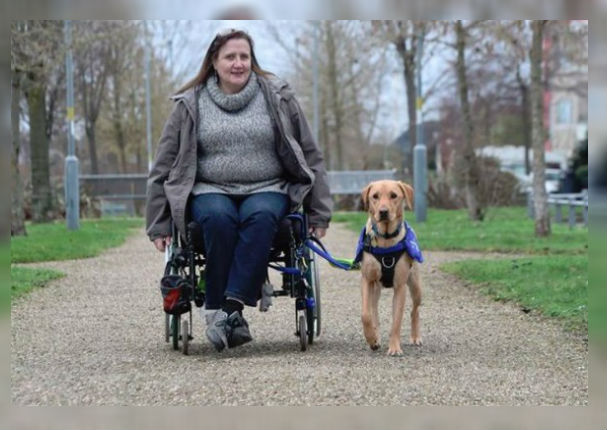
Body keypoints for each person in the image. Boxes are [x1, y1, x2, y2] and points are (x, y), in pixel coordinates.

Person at [145, 28, 332, 352]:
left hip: (268, 186)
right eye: (230, 56)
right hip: (208, 189)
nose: (238, 63)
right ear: (214, 62)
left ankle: (227, 310)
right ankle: (226, 313)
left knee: (260, 216)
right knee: (218, 219)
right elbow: (163, 165)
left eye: (244, 56)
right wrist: (159, 223)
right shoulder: (190, 104)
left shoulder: (277, 96)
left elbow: (310, 154)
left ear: (252, 60)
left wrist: (319, 213)